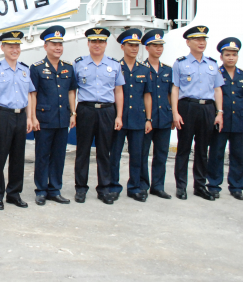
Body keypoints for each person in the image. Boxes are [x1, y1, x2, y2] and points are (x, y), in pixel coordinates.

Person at [0, 31, 35, 210]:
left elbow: (29, 94)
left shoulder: (24, 69)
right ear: (2, 48)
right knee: (0, 157)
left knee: (18, 157)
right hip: (3, 115)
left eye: (17, 46)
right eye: (11, 46)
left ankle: (14, 193)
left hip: (21, 115)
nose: (15, 50)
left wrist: (29, 117)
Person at [171, 25, 224, 201]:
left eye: (204, 40)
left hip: (207, 108)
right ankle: (181, 186)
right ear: (188, 42)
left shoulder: (212, 64)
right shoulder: (180, 63)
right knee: (184, 148)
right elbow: (175, 89)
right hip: (187, 107)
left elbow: (217, 90)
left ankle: (200, 186)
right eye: (197, 40)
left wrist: (219, 112)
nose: (201, 43)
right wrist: (175, 113)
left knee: (202, 149)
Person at [73, 27, 125, 205]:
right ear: (88, 43)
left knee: (104, 151)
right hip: (85, 109)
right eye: (93, 41)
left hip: (107, 110)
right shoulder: (78, 64)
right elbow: (73, 90)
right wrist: (73, 112)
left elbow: (118, 91)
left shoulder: (114, 65)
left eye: (101, 41)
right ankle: (80, 188)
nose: (97, 44)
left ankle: (104, 188)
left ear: (105, 44)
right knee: (83, 151)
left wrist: (119, 116)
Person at [29, 26, 76, 206]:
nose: (58, 47)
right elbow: (32, 94)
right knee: (42, 155)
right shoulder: (37, 68)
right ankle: (41, 190)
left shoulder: (68, 68)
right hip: (44, 119)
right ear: (46, 46)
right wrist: (32, 117)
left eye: (60, 44)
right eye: (54, 44)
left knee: (58, 156)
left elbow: (71, 92)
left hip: (62, 118)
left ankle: (54, 189)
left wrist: (73, 113)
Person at [109, 29, 153, 203]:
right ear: (122, 47)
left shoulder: (144, 69)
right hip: (118, 118)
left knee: (137, 155)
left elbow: (147, 95)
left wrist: (148, 119)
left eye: (137, 45)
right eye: (130, 45)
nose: (134, 49)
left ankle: (134, 187)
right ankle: (113, 186)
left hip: (138, 118)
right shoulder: (114, 67)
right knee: (115, 155)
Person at [207, 37, 243, 200]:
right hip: (221, 120)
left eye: (234, 54)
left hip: (239, 120)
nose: (231, 57)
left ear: (237, 56)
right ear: (221, 57)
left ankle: (236, 186)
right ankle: (213, 185)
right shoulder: (214, 74)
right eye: (227, 55)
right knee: (216, 153)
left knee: (238, 154)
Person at [140, 29, 174, 199]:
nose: (159, 49)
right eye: (155, 45)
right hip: (148, 118)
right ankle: (143, 185)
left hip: (164, 117)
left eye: (161, 45)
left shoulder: (168, 70)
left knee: (161, 154)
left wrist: (174, 114)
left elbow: (170, 94)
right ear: (147, 47)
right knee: (142, 153)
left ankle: (158, 186)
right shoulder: (142, 69)